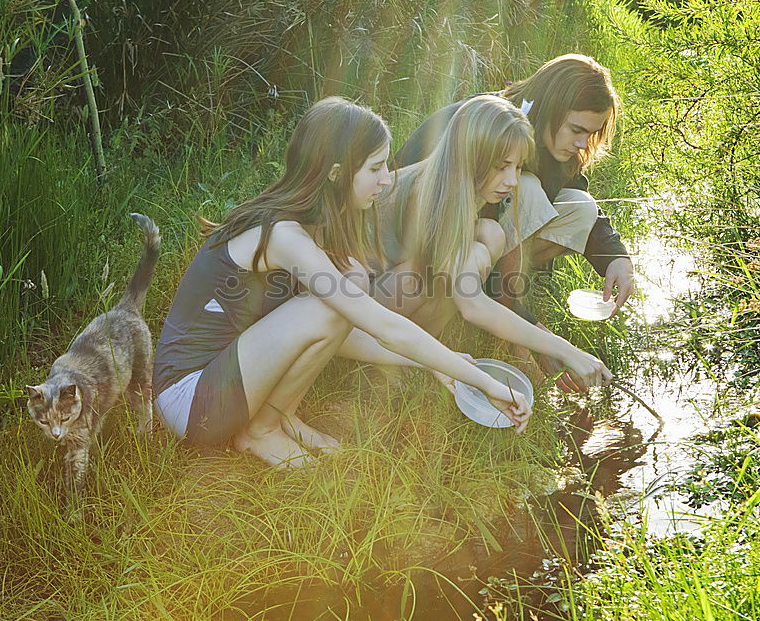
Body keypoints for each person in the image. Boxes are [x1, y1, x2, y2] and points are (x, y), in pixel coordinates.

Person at [152, 97, 529, 469]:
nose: (387, 178)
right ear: (336, 173)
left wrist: (435, 365)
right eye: (376, 168)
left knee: (346, 284)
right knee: (329, 306)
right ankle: (260, 432)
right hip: (190, 401)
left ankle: (280, 416)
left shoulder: (312, 228)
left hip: (225, 378)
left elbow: (349, 331)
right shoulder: (285, 237)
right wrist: (484, 382)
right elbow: (378, 324)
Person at [394, 55, 634, 385]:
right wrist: (540, 341)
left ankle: (508, 304)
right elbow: (454, 237)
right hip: (419, 246)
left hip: (468, 243)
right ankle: (506, 321)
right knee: (525, 193)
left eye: (590, 133)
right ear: (551, 108)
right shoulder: (499, 131)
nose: (582, 143)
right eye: (577, 130)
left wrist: (615, 257)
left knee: (581, 206)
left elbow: (573, 188)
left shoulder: (546, 133)